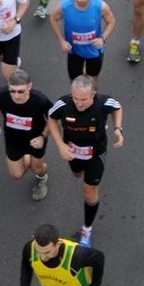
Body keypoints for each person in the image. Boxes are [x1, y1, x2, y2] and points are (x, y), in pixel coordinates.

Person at [47, 75, 123, 245]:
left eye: (84, 99)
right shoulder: (63, 104)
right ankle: (81, 172)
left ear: (93, 94)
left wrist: (118, 128)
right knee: (77, 174)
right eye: (75, 98)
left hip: (96, 152)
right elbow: (51, 118)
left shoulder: (103, 103)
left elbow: (117, 108)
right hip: (73, 152)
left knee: (89, 189)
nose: (79, 103)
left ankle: (87, 229)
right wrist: (60, 145)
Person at [0, 68, 52, 200]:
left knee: (38, 168)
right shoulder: (1, 94)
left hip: (35, 140)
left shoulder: (40, 100)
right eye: (12, 91)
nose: (16, 96)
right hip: (13, 140)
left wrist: (43, 136)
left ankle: (42, 179)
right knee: (16, 175)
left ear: (30, 86)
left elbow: (53, 120)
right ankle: (27, 158)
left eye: (21, 91)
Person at [50, 0, 116, 83]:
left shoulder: (100, 6)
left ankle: (92, 98)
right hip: (74, 51)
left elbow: (111, 21)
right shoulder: (65, 6)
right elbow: (53, 18)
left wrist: (103, 38)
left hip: (94, 51)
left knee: (92, 81)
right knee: (75, 82)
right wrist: (61, 40)